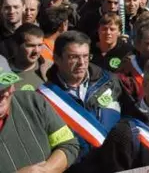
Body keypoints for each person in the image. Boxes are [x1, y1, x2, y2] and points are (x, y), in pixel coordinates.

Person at [38, 30, 129, 163]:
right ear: (56, 59)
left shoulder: (110, 82)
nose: (81, 63)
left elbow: (132, 118)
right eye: (73, 57)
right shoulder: (44, 98)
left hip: (115, 164)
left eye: (86, 56)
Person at [0, 55, 80, 171]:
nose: (5, 94)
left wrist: (46, 170)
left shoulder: (32, 102)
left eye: (8, 84)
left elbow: (69, 144)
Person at [10, 23, 52, 91]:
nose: (36, 51)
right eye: (31, 46)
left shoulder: (51, 69)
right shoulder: (3, 71)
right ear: (16, 45)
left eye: (40, 45)